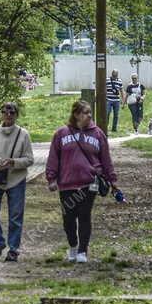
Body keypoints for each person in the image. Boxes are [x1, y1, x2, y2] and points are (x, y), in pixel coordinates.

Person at [46, 100, 119, 264]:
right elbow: (53, 158)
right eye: (86, 113)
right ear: (77, 114)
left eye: (90, 113)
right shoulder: (61, 134)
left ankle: (82, 251)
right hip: (67, 183)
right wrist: (51, 178)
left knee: (84, 216)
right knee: (68, 218)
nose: (89, 116)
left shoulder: (97, 134)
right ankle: (73, 245)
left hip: (89, 183)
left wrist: (112, 180)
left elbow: (106, 159)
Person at [0, 102, 34, 261]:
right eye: (5, 112)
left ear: (16, 115)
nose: (8, 115)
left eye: (12, 112)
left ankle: (13, 249)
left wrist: (14, 162)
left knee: (15, 216)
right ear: (1, 114)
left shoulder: (23, 134)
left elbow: (30, 159)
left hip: (16, 179)